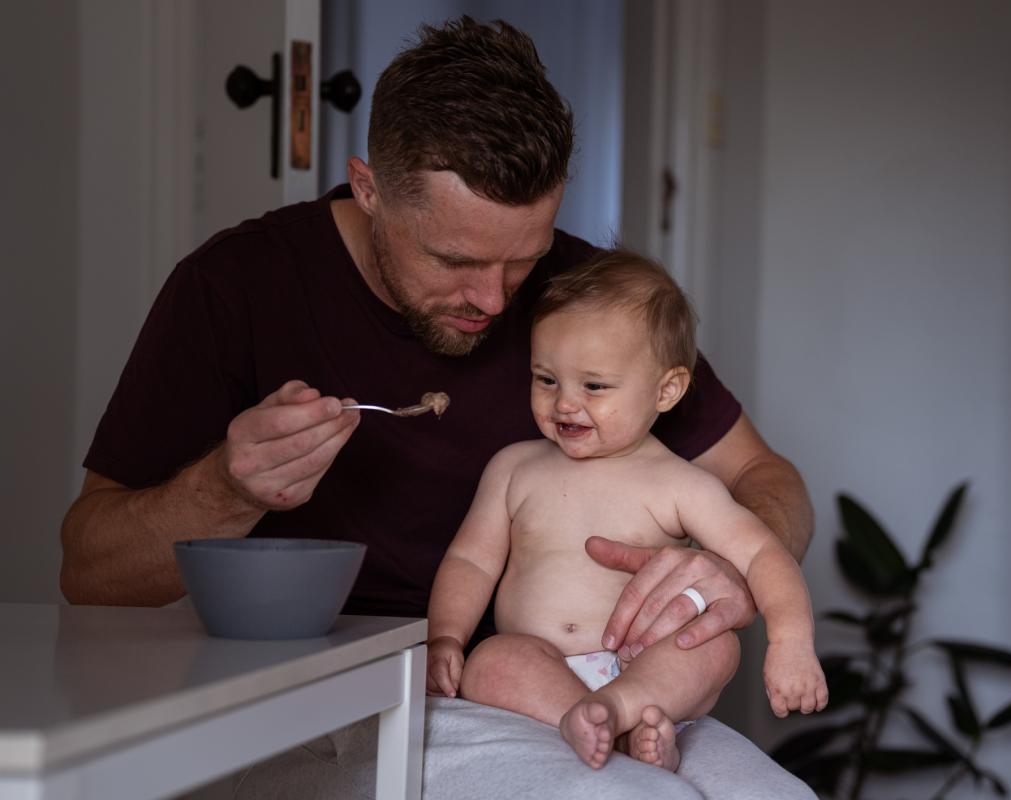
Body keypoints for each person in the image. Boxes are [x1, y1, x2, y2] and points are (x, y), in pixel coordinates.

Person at [60, 16, 817, 799]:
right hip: (350, 694)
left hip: (591, 681)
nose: (491, 300)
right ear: (367, 189)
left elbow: (767, 476)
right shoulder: (238, 287)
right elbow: (89, 571)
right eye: (455, 260)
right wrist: (226, 488)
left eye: (523, 258)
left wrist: (729, 570)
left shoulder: (588, 302)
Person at [427, 250, 829, 772]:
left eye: (593, 386)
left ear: (667, 390)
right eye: (546, 379)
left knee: (716, 648)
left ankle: (618, 710)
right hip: (541, 666)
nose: (566, 403)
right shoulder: (513, 469)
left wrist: (791, 642)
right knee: (491, 661)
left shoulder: (681, 484)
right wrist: (445, 637)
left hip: (643, 667)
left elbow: (762, 556)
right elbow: (471, 562)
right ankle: (604, 727)